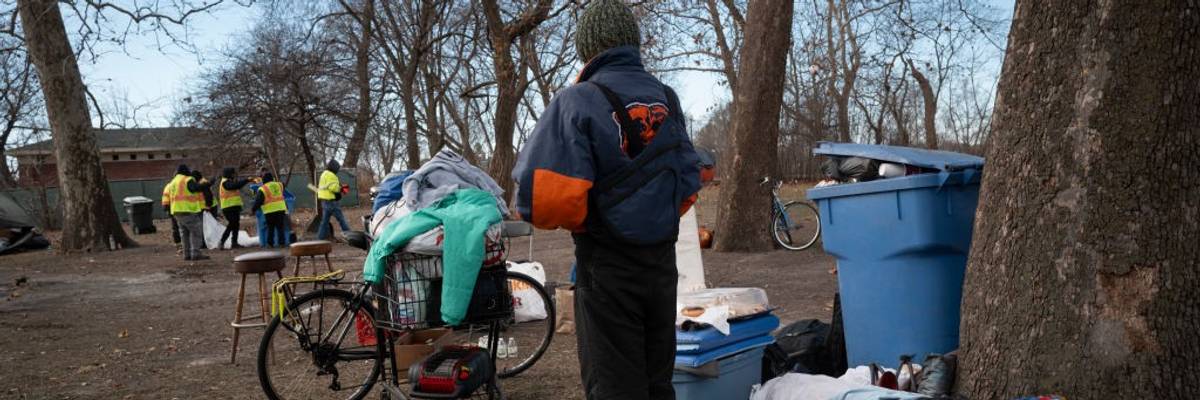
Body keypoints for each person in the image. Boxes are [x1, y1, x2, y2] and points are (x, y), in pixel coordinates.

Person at [512, 1, 701, 399]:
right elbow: (689, 181)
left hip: (607, 268)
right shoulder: (667, 98)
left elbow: (538, 200)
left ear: (589, 49)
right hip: (662, 266)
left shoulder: (579, 100)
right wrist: (650, 216)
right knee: (658, 383)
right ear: (632, 42)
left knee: (614, 387)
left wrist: (594, 217)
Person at [167, 164, 212, 261]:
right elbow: (195, 188)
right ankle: (196, 253)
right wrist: (208, 184)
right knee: (196, 231)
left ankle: (186, 254)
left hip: (176, 211)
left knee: (184, 233)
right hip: (187, 210)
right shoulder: (187, 179)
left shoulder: (173, 181)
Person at [316, 159, 351, 241]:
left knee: (324, 222)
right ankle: (350, 236)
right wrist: (342, 189)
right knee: (341, 219)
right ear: (334, 167)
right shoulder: (331, 175)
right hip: (331, 201)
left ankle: (320, 238)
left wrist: (340, 186)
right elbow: (333, 188)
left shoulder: (324, 174)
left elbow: (328, 186)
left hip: (324, 201)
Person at [252, 172, 289, 248]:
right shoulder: (279, 185)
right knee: (280, 227)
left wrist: (253, 209)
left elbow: (259, 201)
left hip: (270, 211)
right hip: (281, 209)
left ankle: (270, 244)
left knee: (270, 228)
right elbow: (283, 184)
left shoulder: (263, 188)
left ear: (264, 180)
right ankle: (282, 243)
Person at [217, 167, 251, 249]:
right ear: (229, 174)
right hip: (228, 207)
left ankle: (234, 243)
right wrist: (246, 180)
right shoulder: (225, 182)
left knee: (235, 224)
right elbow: (234, 186)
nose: (234, 175)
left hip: (234, 207)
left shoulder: (229, 181)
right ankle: (222, 241)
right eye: (232, 173)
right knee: (232, 224)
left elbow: (236, 186)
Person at [161, 165, 187, 252]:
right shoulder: (183, 184)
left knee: (176, 228)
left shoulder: (169, 185)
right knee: (181, 228)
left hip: (173, 209)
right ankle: (182, 245)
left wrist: (166, 208)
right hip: (182, 209)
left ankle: (179, 245)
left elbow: (165, 198)